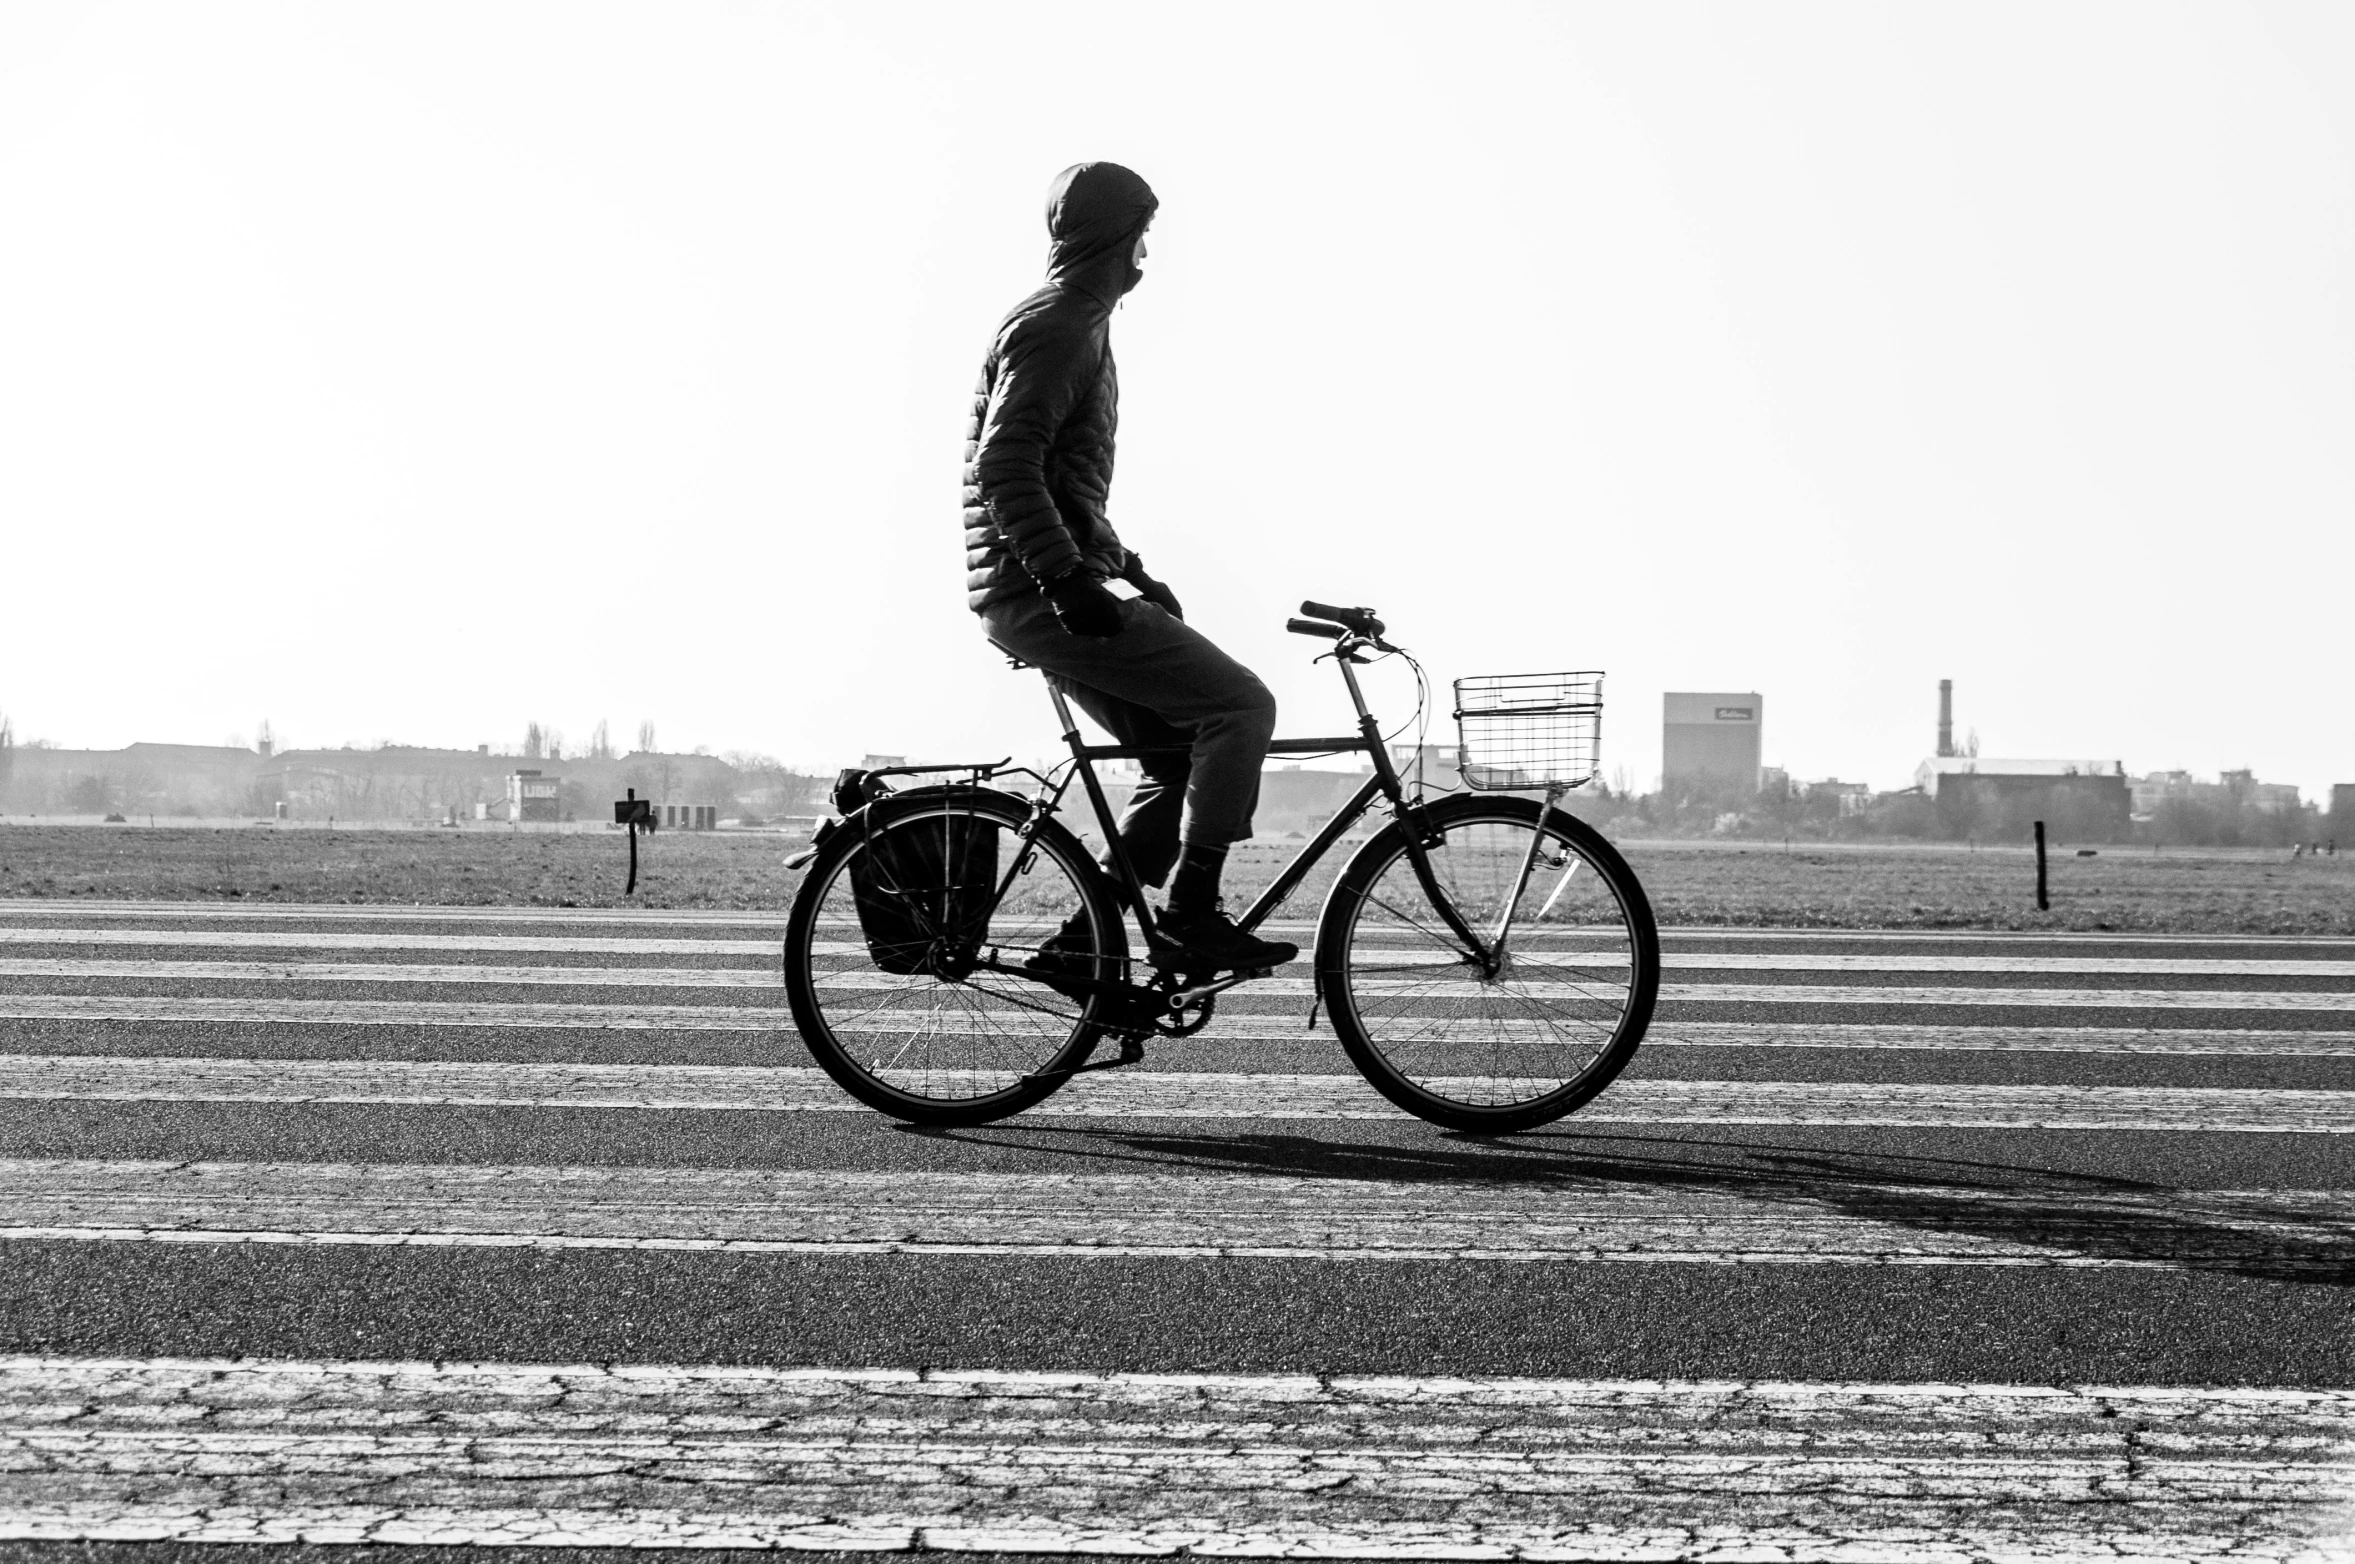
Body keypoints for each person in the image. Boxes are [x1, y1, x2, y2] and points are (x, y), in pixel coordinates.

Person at [962, 162, 1295, 974]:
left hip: (1035, 583)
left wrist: (1127, 572)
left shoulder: (1077, 318)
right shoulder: (1060, 324)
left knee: (1179, 753)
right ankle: (1188, 917)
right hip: (1034, 589)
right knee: (1241, 706)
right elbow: (1005, 465)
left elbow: (1064, 481)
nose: (1148, 251)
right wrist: (1067, 580)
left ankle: (1084, 946)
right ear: (1118, 235)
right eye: (1143, 232)